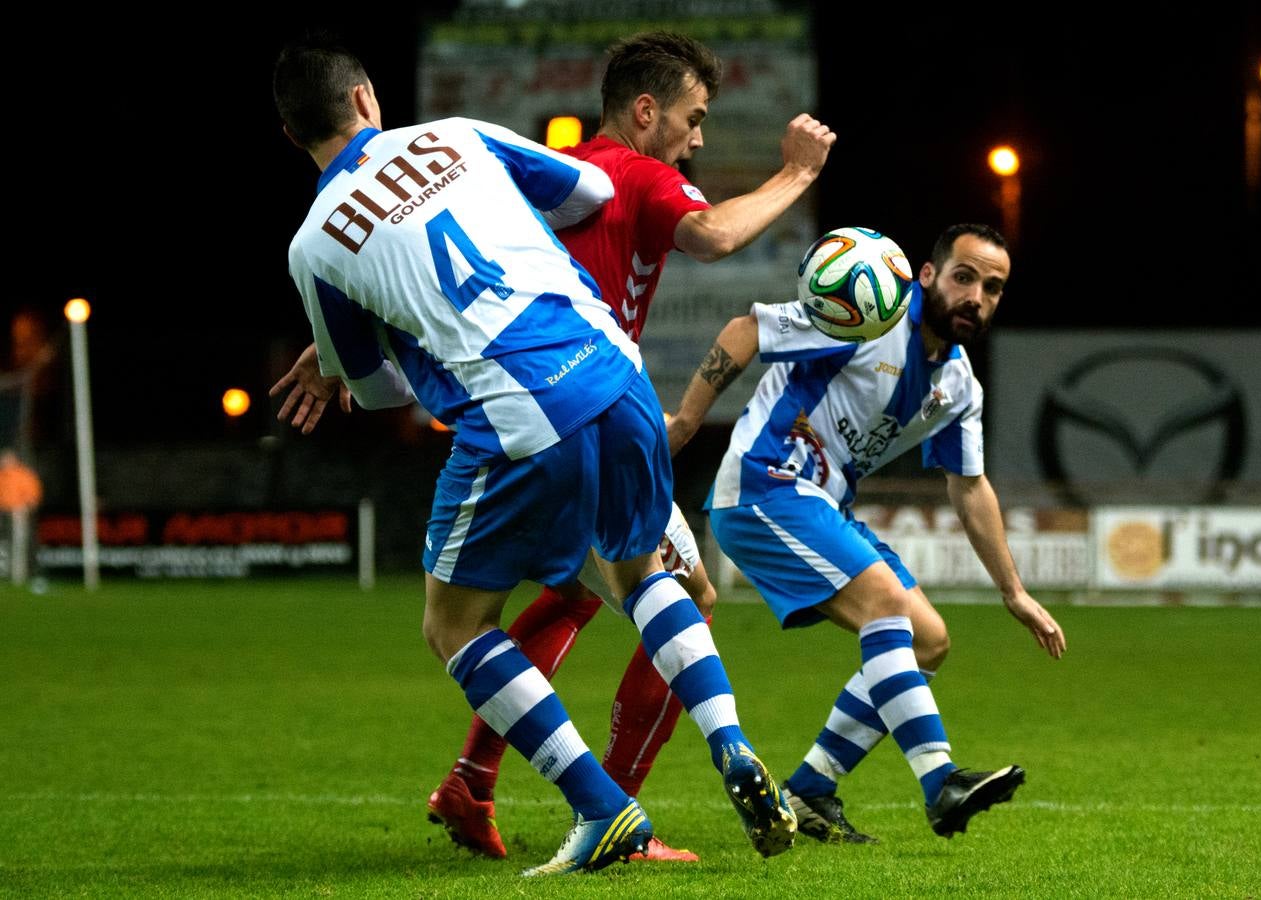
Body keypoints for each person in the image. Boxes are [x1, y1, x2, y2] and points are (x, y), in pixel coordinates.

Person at [273, 32, 835, 862]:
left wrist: (369, 343)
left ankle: (598, 806)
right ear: (366, 99)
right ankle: (724, 746)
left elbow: (382, 393)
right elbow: (589, 188)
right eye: (695, 120)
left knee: (457, 625)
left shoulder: (314, 246)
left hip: (521, 407)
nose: (699, 136)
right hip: (614, 369)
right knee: (644, 575)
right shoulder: (457, 135)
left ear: (294, 136)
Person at [664, 223, 1067, 843]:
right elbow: (747, 330)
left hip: (819, 504)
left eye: (993, 287)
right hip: (763, 485)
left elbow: (970, 487)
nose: (976, 297)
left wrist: (1014, 592)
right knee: (886, 605)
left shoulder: (958, 386)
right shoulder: (869, 312)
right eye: (964, 277)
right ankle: (941, 782)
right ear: (928, 275)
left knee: (929, 639)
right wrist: (687, 422)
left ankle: (812, 789)